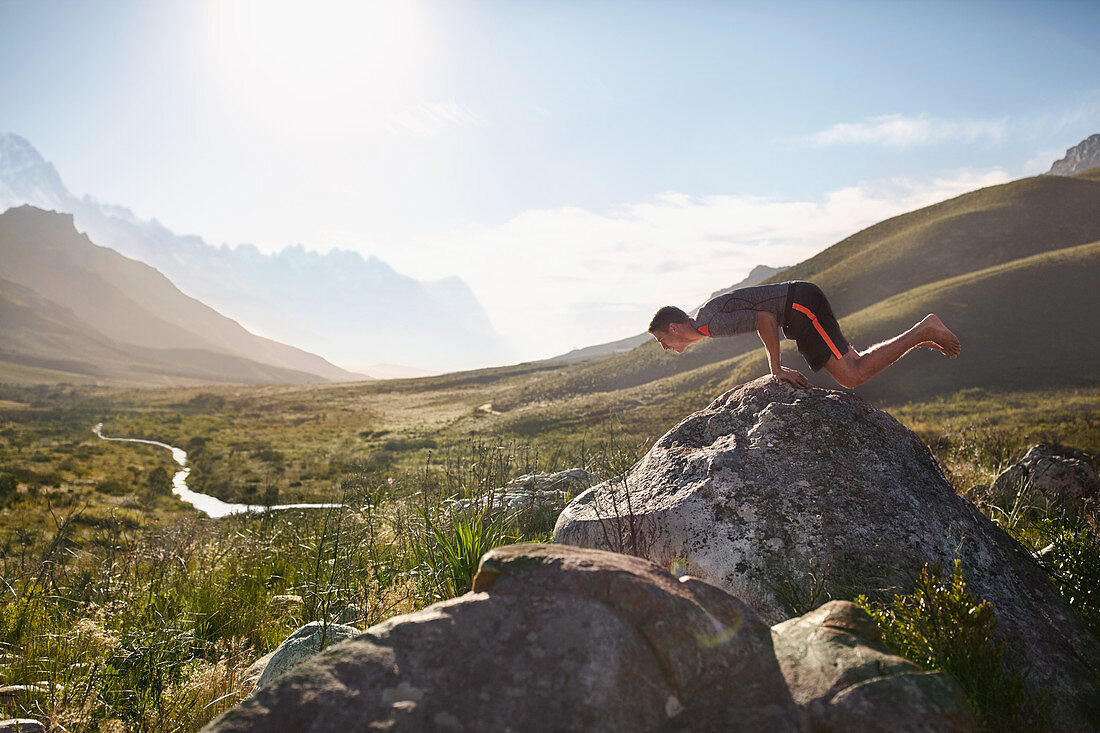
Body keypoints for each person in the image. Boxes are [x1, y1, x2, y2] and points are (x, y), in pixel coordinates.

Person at [648, 281, 961, 389]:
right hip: (798, 310)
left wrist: (775, 368)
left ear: (674, 328)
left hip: (799, 307)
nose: (664, 347)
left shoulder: (707, 324)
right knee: (853, 365)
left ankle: (923, 330)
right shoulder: (706, 319)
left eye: (662, 339)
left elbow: (765, 319)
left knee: (852, 374)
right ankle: (922, 333)